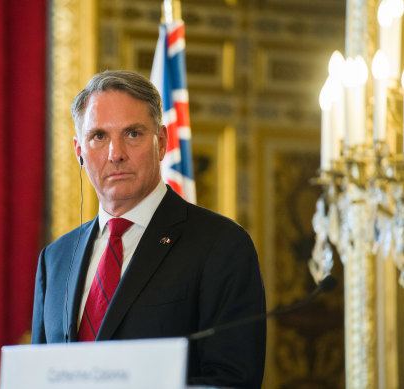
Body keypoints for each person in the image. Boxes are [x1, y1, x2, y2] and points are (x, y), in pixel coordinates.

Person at [31, 70, 266, 388]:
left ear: (161, 141)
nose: (116, 154)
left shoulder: (221, 245)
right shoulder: (55, 259)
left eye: (132, 134)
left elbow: (232, 381)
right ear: (79, 151)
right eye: (99, 136)